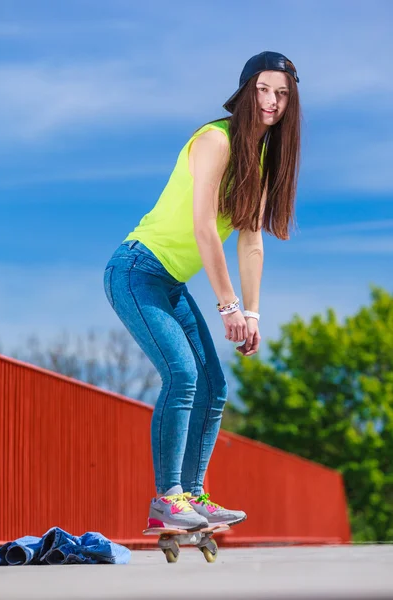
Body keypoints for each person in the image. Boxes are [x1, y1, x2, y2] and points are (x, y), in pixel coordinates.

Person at [103, 51, 301, 531]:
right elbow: (203, 229)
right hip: (137, 269)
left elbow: (251, 241)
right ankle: (168, 499)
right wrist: (227, 305)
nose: (272, 101)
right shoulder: (216, 139)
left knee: (215, 385)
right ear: (246, 89)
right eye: (264, 89)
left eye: (282, 94)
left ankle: (192, 495)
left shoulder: (261, 159)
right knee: (183, 374)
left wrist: (252, 314)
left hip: (168, 281)